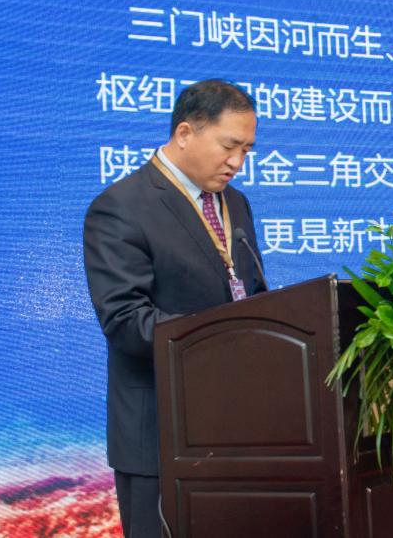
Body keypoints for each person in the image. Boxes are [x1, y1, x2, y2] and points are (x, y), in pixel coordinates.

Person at [83, 79, 267, 537]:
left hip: (235, 427)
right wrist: (222, 339)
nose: (237, 163)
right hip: (161, 439)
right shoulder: (121, 207)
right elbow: (126, 321)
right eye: (229, 147)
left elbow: (251, 293)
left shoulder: (236, 204)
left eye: (247, 150)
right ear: (185, 133)